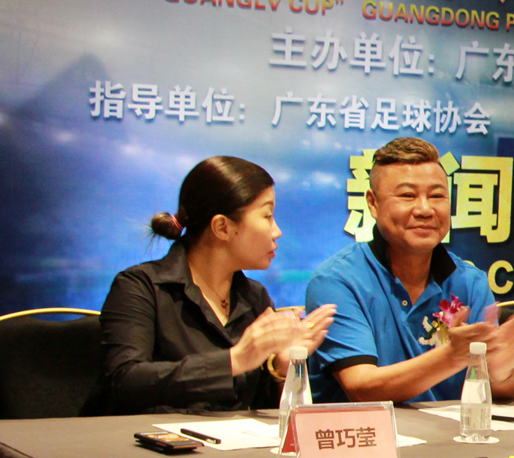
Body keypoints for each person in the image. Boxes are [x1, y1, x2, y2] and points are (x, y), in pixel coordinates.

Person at [306, 137, 514, 404]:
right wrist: (452, 356)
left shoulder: (470, 281)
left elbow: (504, 391)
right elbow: (361, 387)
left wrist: (501, 369)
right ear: (373, 203)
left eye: (437, 196)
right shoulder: (337, 280)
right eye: (407, 195)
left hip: (450, 430)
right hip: (365, 430)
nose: (425, 210)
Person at [97, 156, 336, 414]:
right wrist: (234, 360)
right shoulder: (140, 286)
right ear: (222, 227)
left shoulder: (254, 296)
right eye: (267, 216)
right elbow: (124, 380)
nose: (276, 231)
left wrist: (281, 366)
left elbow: (258, 409)